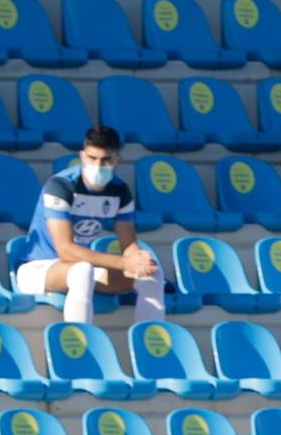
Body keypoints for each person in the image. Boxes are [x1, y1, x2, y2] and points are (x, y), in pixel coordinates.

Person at [10, 125, 166, 326]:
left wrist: (138, 259)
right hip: (38, 269)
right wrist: (123, 263)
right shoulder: (61, 187)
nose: (98, 165)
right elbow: (65, 251)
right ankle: (81, 345)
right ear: (82, 156)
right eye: (92, 158)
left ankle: (150, 344)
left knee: (153, 274)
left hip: (82, 269)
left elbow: (128, 244)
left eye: (106, 160)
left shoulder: (119, 190)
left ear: (117, 160)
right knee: (82, 270)